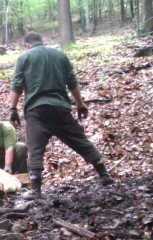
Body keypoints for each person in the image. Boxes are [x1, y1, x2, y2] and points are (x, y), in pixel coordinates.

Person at [9, 32, 114, 200]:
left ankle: (36, 190)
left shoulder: (24, 58)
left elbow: (17, 85)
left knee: (35, 148)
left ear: (27, 45)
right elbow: (72, 82)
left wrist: (12, 109)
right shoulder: (60, 55)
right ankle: (104, 174)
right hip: (60, 108)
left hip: (36, 111)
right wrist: (80, 104)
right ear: (41, 41)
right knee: (80, 140)